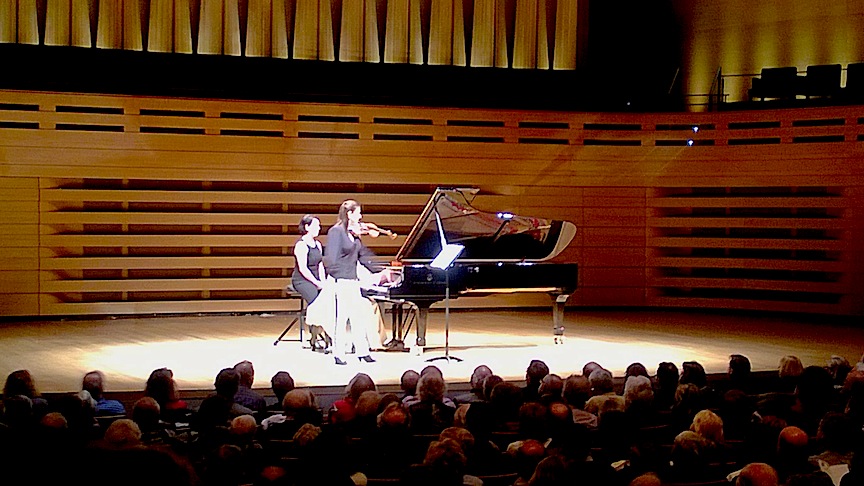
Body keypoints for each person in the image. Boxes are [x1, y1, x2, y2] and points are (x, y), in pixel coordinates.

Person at [323, 199, 393, 365]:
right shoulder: (336, 231)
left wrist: (380, 270)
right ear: (349, 214)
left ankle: (362, 351)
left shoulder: (353, 233)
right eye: (358, 213)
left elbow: (361, 254)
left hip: (353, 280)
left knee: (358, 316)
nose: (361, 217)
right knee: (342, 318)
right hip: (341, 280)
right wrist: (340, 276)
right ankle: (338, 354)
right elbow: (331, 259)